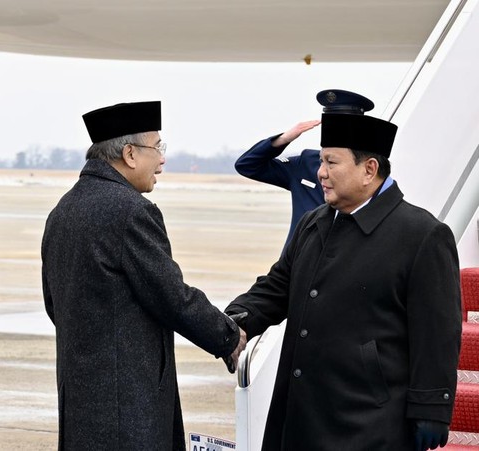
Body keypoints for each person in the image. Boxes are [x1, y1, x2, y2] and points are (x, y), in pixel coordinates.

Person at [225, 109, 461, 450]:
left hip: (369, 423)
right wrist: (232, 323)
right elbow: (276, 289)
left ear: (369, 170)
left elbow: (437, 332)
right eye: (322, 161)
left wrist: (431, 407)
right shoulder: (314, 223)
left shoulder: (422, 235)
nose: (320, 172)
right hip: (301, 415)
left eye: (331, 163)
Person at [41, 101, 247, 450]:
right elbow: (173, 297)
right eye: (158, 147)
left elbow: (54, 304)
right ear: (130, 154)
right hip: (128, 410)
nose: (162, 160)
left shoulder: (62, 210)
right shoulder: (131, 212)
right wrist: (228, 337)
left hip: (80, 405)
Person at [235, 89, 374, 247]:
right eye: (331, 123)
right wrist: (284, 139)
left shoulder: (366, 170)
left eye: (344, 125)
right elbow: (247, 165)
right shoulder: (306, 162)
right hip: (297, 258)